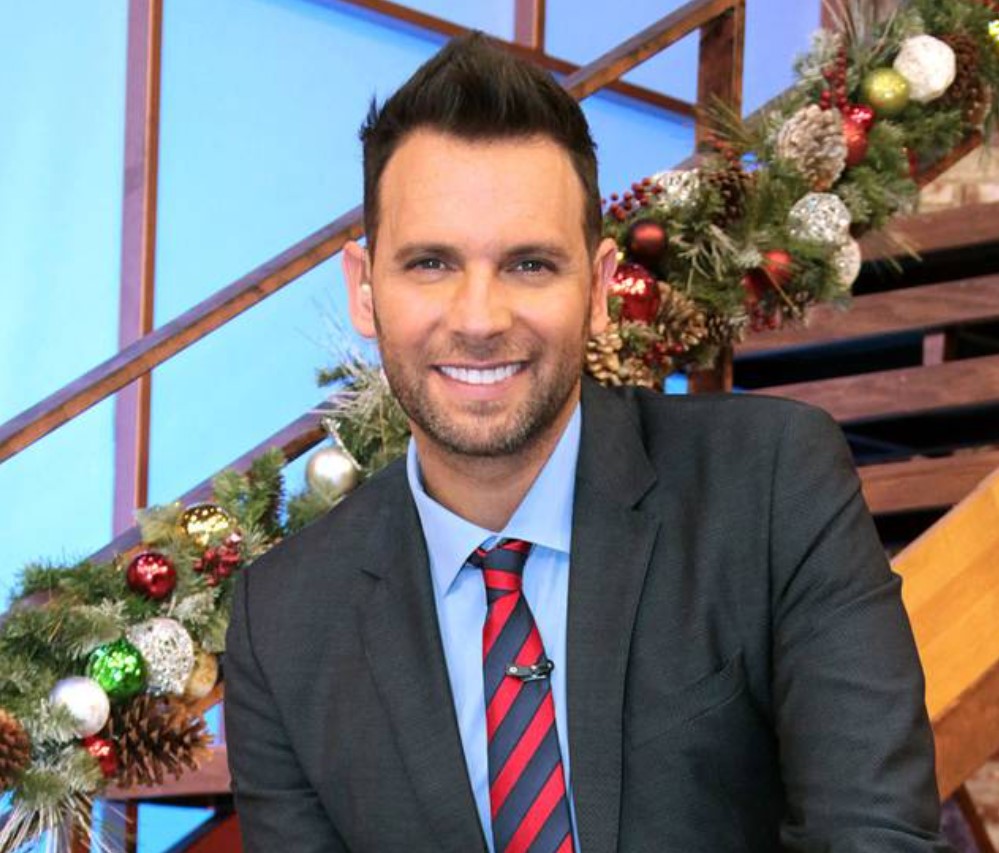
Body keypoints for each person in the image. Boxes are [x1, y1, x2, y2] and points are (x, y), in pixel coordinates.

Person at [224, 33, 949, 853]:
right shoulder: (282, 622)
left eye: (529, 265)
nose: (478, 317)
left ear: (601, 288)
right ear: (364, 289)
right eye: (430, 263)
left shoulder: (771, 484)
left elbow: (876, 835)